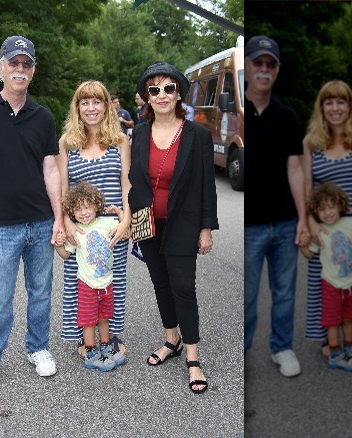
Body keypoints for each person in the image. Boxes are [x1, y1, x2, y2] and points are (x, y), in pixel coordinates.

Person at [0, 35, 63, 393]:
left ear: (33, 71)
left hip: (41, 221)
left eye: (26, 64)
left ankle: (38, 347)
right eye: (13, 63)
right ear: (0, 67)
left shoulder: (43, 117)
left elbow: (51, 169)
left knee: (40, 291)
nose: (20, 69)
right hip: (2, 225)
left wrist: (60, 218)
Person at [130, 61, 218, 393]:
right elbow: (133, 180)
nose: (162, 94)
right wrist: (128, 218)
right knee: (161, 285)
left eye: (168, 88)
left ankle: (193, 358)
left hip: (183, 222)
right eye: (155, 89)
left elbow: (207, 185)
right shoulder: (138, 133)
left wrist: (206, 227)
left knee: (183, 287)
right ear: (147, 98)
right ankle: (172, 340)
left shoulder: (197, 135)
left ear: (178, 92)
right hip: (147, 222)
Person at [243, 35, 308, 377]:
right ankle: (244, 350)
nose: (264, 69)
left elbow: (295, 167)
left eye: (270, 64)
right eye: (258, 62)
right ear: (249, 68)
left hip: (284, 221)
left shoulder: (287, 117)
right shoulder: (240, 114)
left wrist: (303, 217)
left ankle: (281, 347)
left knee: (283, 293)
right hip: (249, 225)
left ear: (277, 70)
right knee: (248, 296)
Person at [56, 80, 130, 361]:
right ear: (77, 108)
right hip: (82, 230)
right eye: (84, 102)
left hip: (112, 228)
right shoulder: (66, 143)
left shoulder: (120, 140)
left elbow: (127, 184)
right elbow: (63, 188)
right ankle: (84, 337)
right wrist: (67, 222)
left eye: (97, 101)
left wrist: (126, 221)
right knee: (81, 282)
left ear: (106, 106)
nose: (91, 108)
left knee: (114, 282)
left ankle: (110, 336)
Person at [301, 80, 352, 361]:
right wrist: (310, 223)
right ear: (321, 108)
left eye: (341, 101)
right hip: (326, 230)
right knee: (324, 282)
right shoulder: (311, 143)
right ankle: (327, 336)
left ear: (350, 106)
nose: (335, 108)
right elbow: (308, 188)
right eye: (329, 102)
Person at [54, 181, 126, 371]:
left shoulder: (108, 222)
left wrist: (120, 213)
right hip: (86, 284)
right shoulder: (75, 230)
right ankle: (91, 352)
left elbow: (126, 232)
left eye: (87, 207)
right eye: (78, 209)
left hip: (106, 283)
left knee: (104, 318)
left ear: (96, 206)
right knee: (88, 320)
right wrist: (58, 244)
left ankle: (105, 347)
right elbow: (65, 255)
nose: (83, 213)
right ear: (72, 212)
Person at [299, 182, 352, 372]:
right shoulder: (319, 230)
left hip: (351, 283)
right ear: (316, 212)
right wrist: (303, 244)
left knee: (348, 319)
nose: (327, 212)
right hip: (330, 285)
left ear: (340, 205)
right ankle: (335, 353)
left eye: (331, 207)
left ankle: (350, 347)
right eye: (321, 209)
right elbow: (309, 255)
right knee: (332, 321)